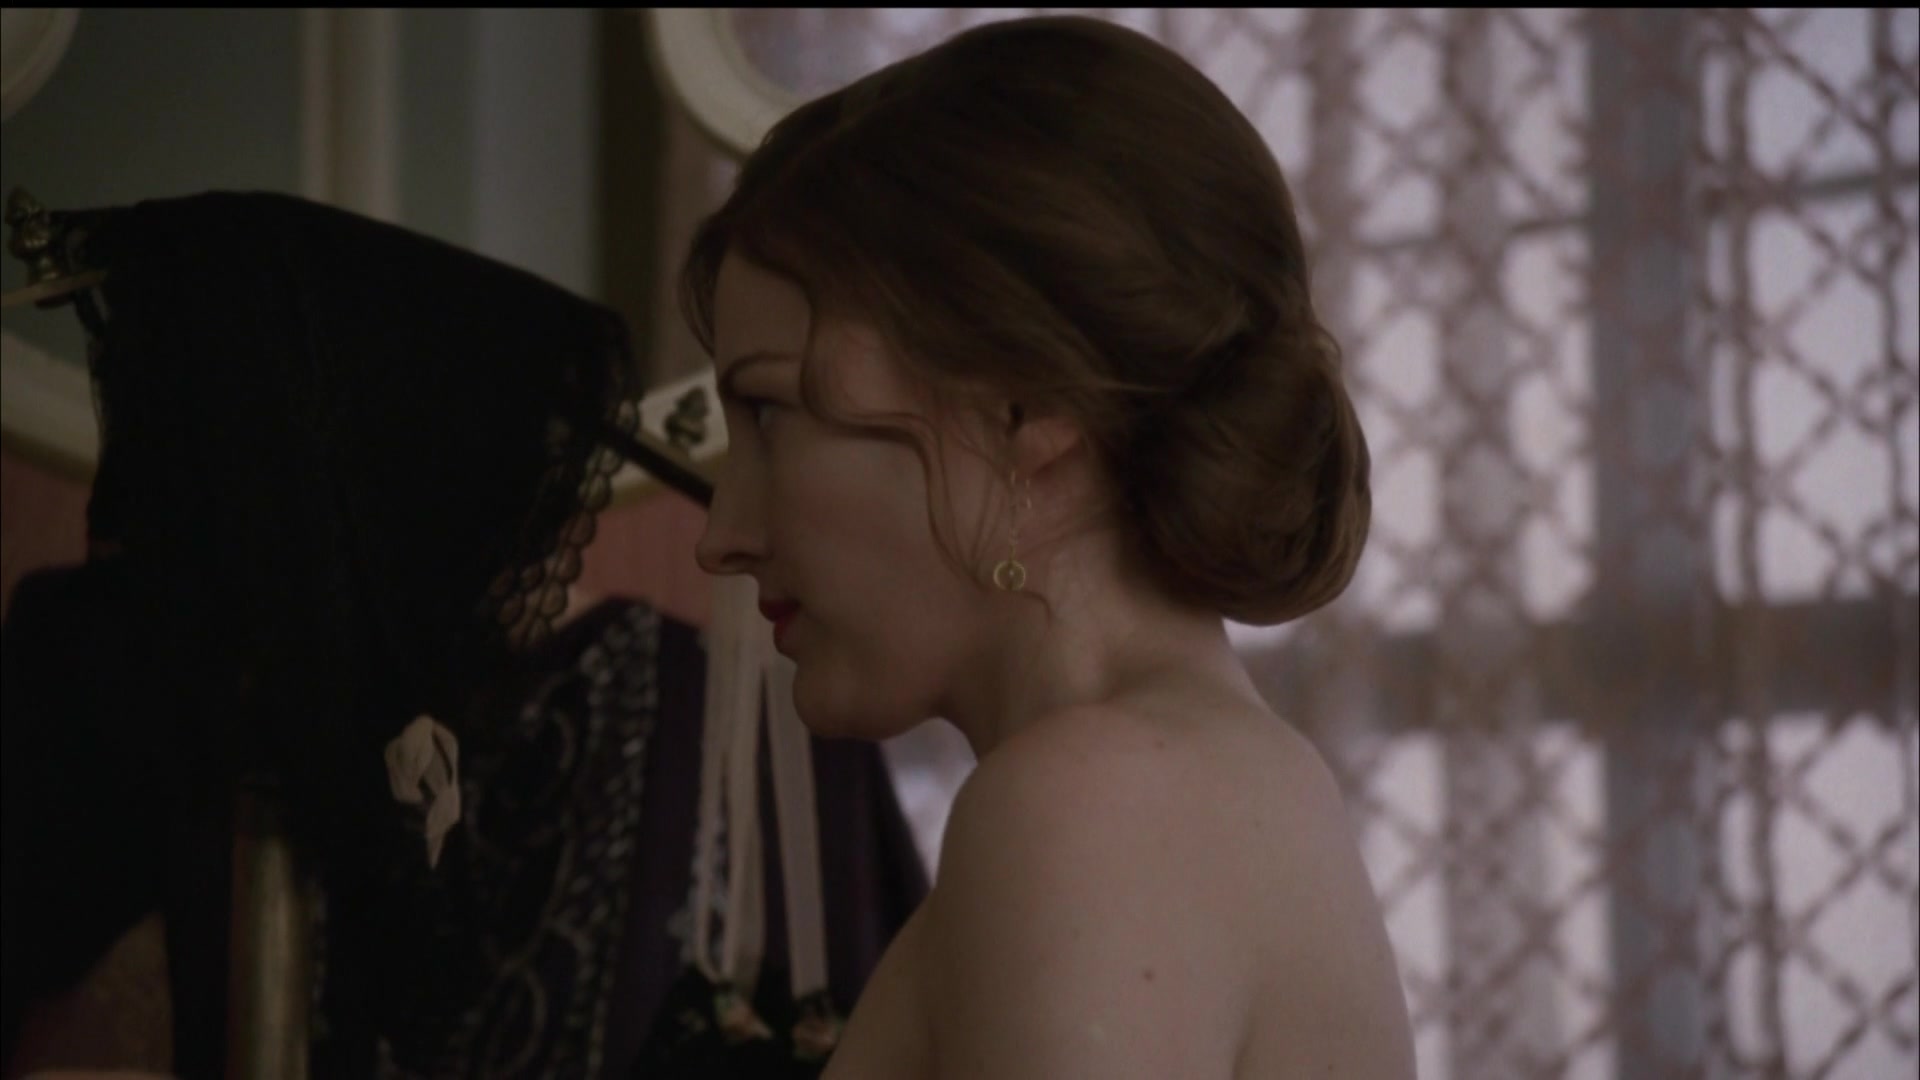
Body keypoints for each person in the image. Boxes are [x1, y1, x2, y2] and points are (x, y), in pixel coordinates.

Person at [683, 14, 1415, 1079]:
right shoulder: (1214, 781)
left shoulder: (1090, 805)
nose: (721, 536)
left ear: (1023, 409)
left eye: (770, 414)